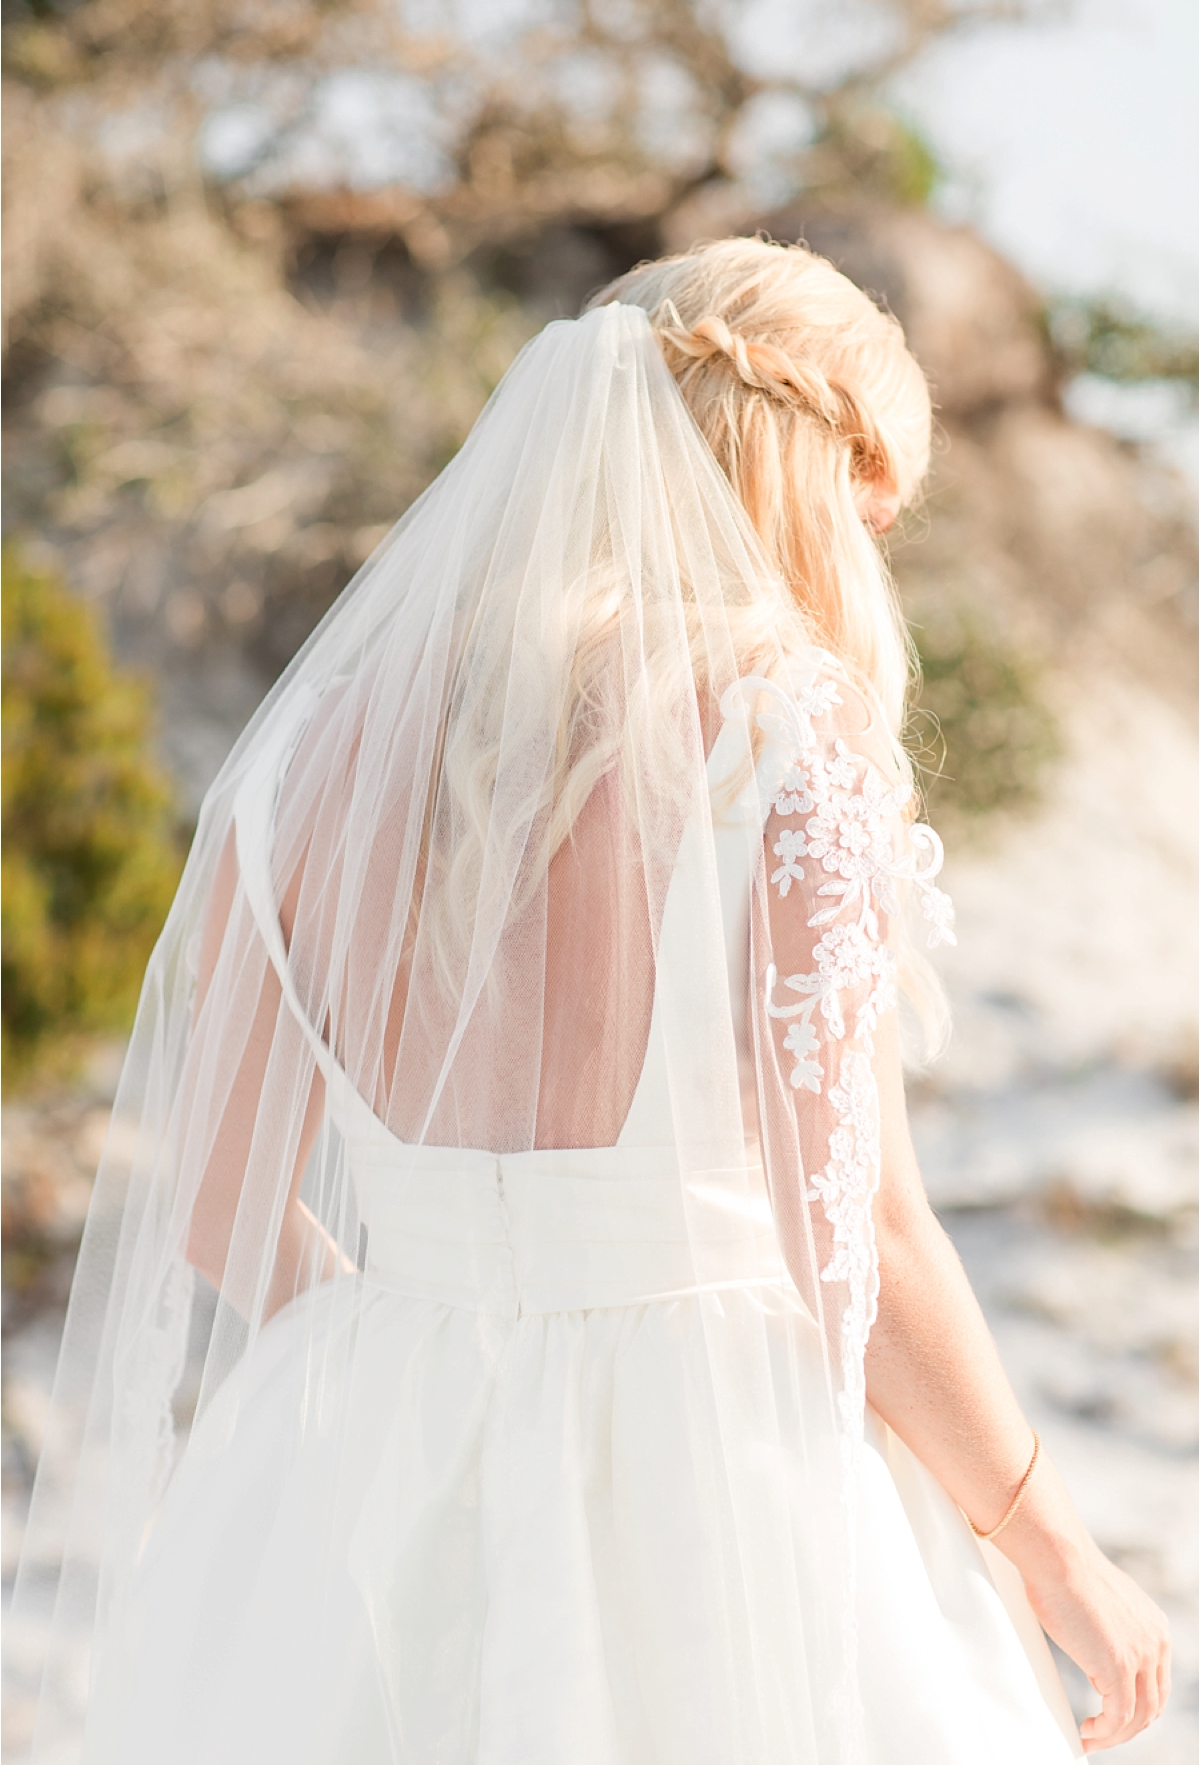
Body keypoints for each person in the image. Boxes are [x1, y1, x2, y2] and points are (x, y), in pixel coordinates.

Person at [11, 238, 1168, 1765]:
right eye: (869, 512)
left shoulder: (309, 758)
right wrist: (1055, 1549)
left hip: (378, 1444)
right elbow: (865, 1242)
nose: (865, 560)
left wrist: (435, 1361)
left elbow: (222, 1194)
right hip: (709, 1477)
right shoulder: (779, 742)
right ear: (800, 474)